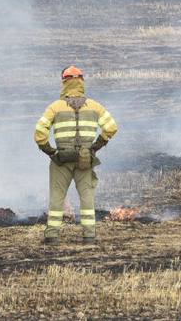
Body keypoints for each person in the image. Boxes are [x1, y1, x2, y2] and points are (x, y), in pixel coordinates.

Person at [34, 66, 118, 243]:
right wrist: (94, 147)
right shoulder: (95, 106)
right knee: (87, 197)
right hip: (85, 159)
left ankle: (52, 236)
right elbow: (111, 127)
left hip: (61, 160)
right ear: (81, 82)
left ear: (64, 82)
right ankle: (89, 236)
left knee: (57, 197)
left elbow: (39, 133)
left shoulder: (55, 107)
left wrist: (51, 152)